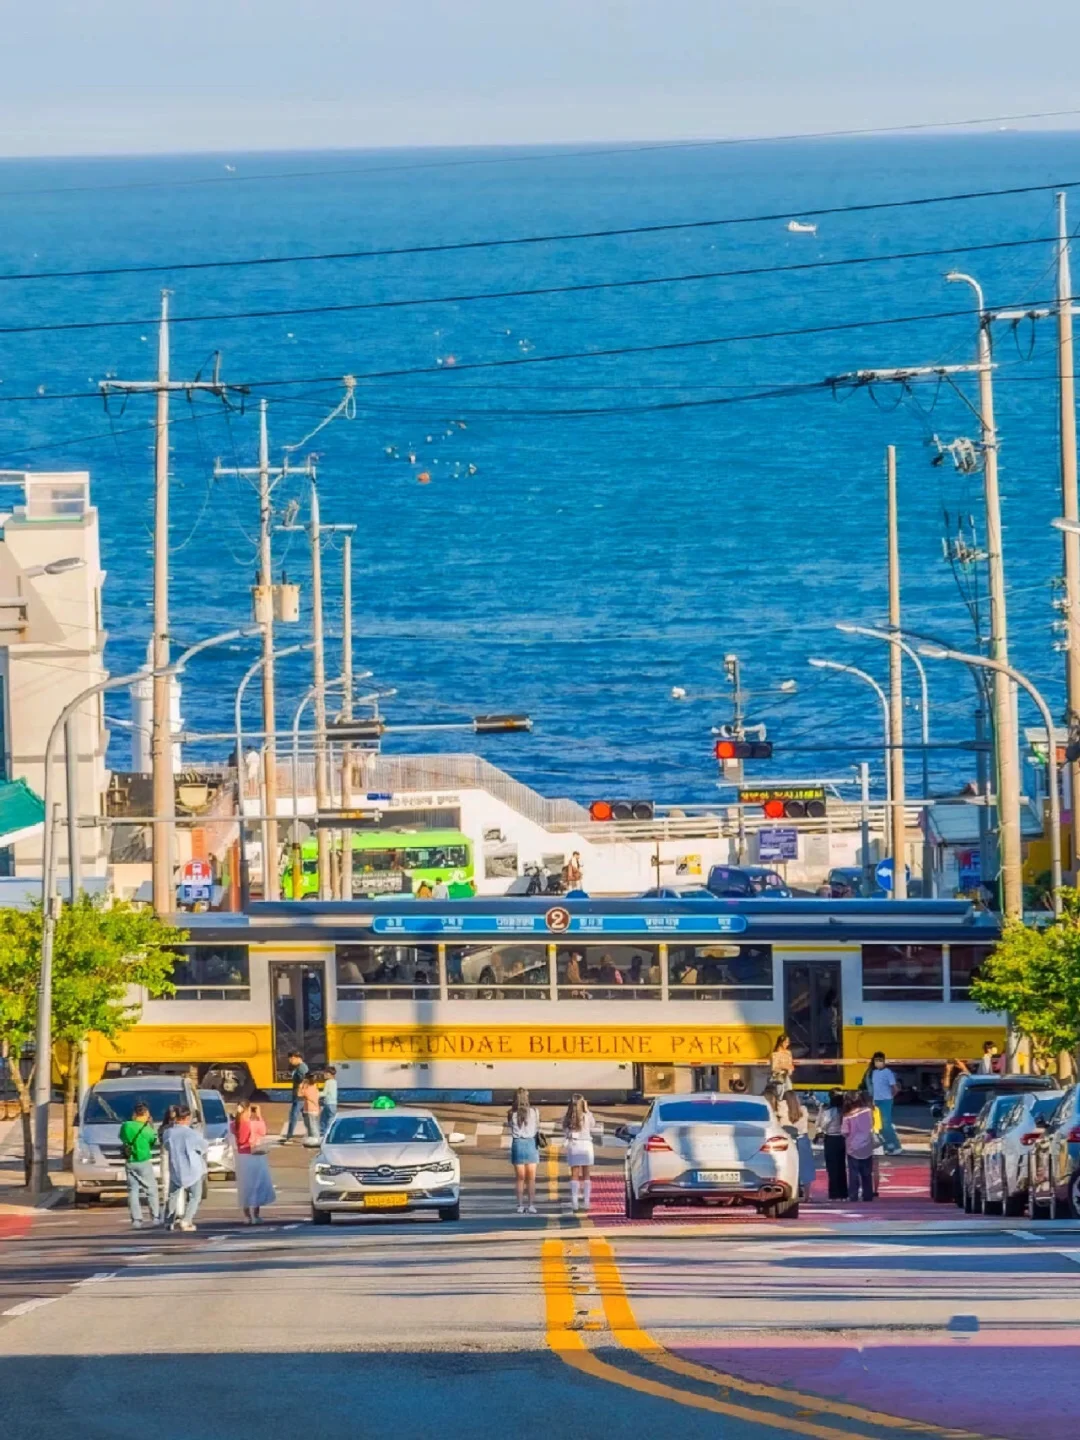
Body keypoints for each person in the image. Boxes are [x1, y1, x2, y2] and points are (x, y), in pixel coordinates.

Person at [163, 1106, 208, 1231]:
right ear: (187, 1118)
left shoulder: (169, 1133)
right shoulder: (192, 1133)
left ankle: (168, 1221)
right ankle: (186, 1220)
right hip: (193, 1168)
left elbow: (166, 1146)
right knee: (195, 1196)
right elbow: (203, 1147)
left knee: (173, 1195)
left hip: (176, 1167)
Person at [232, 1101, 276, 1224]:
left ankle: (246, 1216)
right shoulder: (254, 1124)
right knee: (257, 1185)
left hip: (242, 1157)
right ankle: (255, 1215)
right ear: (247, 1110)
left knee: (245, 1187)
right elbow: (263, 1131)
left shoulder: (234, 1124)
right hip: (255, 1156)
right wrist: (259, 1115)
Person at [120, 1101, 160, 1228]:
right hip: (143, 1160)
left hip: (130, 1161)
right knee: (151, 1189)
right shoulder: (148, 1129)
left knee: (133, 1191)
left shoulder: (126, 1125)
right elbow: (153, 1141)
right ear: (146, 1114)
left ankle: (136, 1219)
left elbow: (122, 1138)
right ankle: (155, 1216)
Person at [508, 1087, 540, 1214]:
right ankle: (531, 1205)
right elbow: (538, 1127)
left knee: (520, 1178)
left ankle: (520, 1206)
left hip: (518, 1144)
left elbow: (510, 1127)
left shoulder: (511, 1113)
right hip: (531, 1143)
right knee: (531, 1179)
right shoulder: (535, 1112)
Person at [562, 1093, 595, 1213]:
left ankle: (575, 1201)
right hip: (586, 1145)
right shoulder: (587, 1116)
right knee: (586, 1173)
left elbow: (564, 1130)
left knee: (574, 1173)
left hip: (574, 1145)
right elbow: (593, 1124)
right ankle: (586, 1201)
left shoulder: (568, 1117)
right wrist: (587, 1110)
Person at [841, 1091, 875, 1202]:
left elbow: (844, 1132)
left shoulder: (847, 1116)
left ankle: (853, 1195)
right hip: (867, 1145)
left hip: (852, 1147)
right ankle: (868, 1195)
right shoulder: (868, 1111)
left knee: (853, 1173)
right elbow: (872, 1124)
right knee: (867, 1173)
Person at [782, 1091, 816, 1201]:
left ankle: (791, 1193)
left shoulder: (782, 1111)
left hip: (788, 1140)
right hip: (802, 1139)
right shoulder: (803, 1110)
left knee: (789, 1166)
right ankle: (807, 1195)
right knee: (806, 1167)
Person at [866, 1052, 902, 1154]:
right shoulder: (873, 1073)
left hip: (885, 1101)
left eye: (880, 1060)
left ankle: (896, 1146)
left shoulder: (888, 1072)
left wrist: (890, 1097)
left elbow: (895, 1088)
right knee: (879, 1125)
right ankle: (888, 1146)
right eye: (876, 1061)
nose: (878, 1063)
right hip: (876, 1101)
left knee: (886, 1124)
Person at [817, 1090, 848, 1200]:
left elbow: (822, 1125)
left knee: (832, 1167)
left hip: (831, 1138)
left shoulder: (829, 1111)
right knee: (841, 1166)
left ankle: (834, 1192)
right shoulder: (845, 1111)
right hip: (843, 1139)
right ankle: (843, 1192)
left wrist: (822, 1111)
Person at [281, 1050, 308, 1144]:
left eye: (291, 1058)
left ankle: (289, 1137)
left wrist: (301, 1091)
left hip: (300, 1096)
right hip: (298, 1095)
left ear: (298, 1058)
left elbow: (304, 1081)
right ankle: (311, 1134)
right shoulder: (298, 1067)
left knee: (294, 1116)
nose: (290, 1060)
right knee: (305, 1116)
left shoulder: (302, 1068)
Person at [298, 1072, 322, 1145]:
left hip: (309, 1109)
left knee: (311, 1126)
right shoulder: (315, 1086)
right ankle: (314, 1139)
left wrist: (301, 1085)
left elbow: (299, 1094)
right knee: (313, 1125)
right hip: (314, 1109)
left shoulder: (307, 1088)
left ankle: (316, 1140)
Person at [320, 1065, 339, 1135]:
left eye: (325, 1073)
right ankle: (327, 1132)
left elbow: (324, 1093)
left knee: (325, 1119)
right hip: (333, 1103)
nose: (323, 1075)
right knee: (328, 1118)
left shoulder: (328, 1082)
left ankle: (326, 1133)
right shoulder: (334, 1082)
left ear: (329, 1074)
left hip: (328, 1103)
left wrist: (314, 1093)